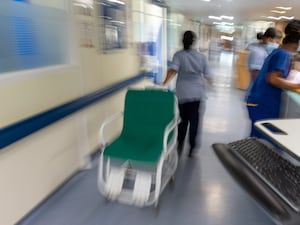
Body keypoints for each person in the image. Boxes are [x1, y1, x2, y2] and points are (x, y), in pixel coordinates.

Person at [162, 30, 211, 157]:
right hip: (197, 94)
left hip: (183, 94)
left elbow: (173, 70)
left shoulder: (179, 55)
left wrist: (164, 83)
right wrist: (212, 83)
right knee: (195, 121)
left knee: (182, 120)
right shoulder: (201, 57)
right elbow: (208, 75)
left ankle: (180, 143)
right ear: (194, 41)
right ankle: (192, 148)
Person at [246, 31, 300, 138]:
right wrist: (297, 86)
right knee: (264, 140)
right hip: (264, 103)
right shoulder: (283, 54)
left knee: (256, 138)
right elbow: (273, 79)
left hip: (257, 100)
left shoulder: (277, 52)